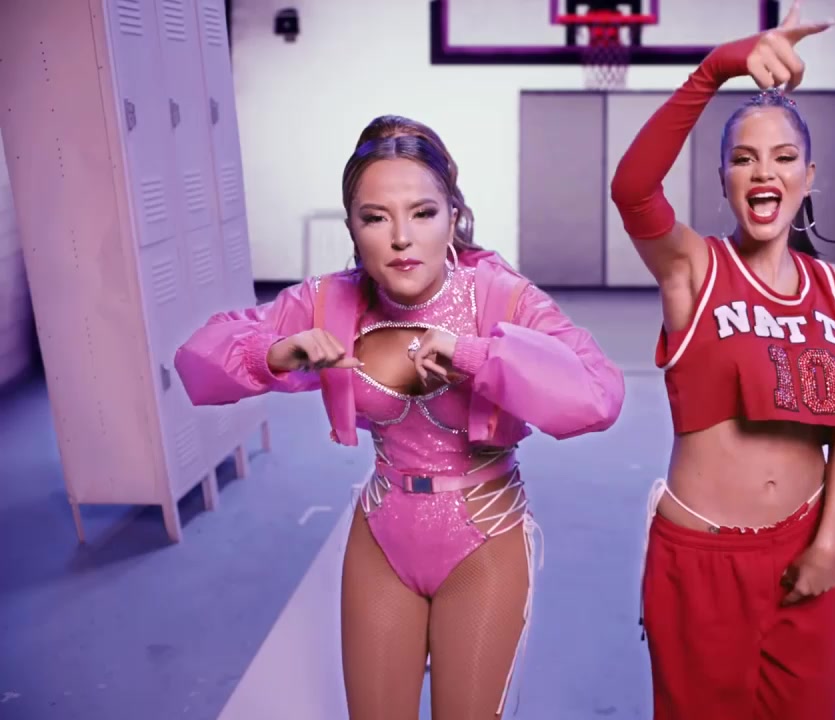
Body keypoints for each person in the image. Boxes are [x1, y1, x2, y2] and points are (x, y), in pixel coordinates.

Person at [175, 115, 625, 719]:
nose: (401, 238)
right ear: (352, 229)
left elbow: (599, 396)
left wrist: (477, 355)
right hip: (383, 533)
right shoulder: (329, 299)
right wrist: (273, 353)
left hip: (484, 538)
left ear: (453, 217)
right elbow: (196, 362)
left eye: (423, 213)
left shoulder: (499, 296)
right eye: (375, 218)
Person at [609, 5, 835, 719]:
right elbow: (632, 189)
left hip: (807, 548)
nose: (765, 172)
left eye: (784, 157)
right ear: (727, 178)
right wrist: (715, 69)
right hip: (703, 560)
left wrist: (829, 543)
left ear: (809, 176)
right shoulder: (693, 269)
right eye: (744, 158)